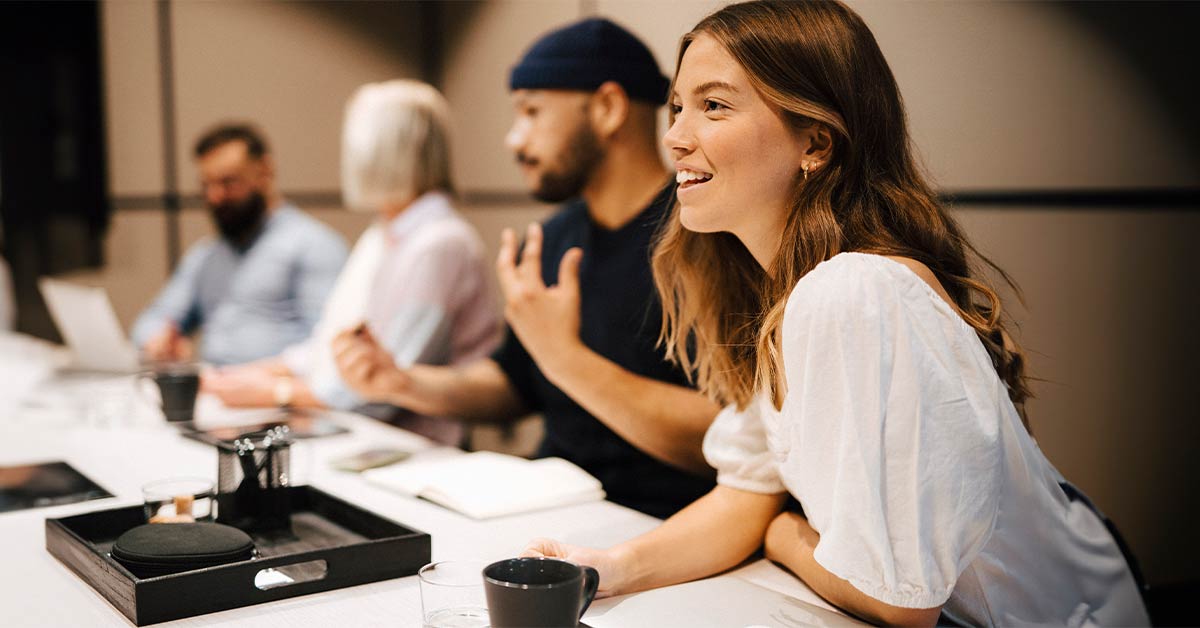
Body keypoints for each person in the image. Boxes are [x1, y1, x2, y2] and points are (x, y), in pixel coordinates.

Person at [522, 2, 1150, 626]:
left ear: (815, 142)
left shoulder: (855, 292)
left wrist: (784, 536)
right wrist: (604, 568)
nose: (675, 136)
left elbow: (899, 603)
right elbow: (746, 493)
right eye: (678, 107)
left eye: (713, 106)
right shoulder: (789, 293)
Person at [333, 18, 720, 518]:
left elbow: (728, 437)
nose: (515, 140)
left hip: (660, 517)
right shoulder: (554, 236)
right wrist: (402, 382)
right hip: (547, 500)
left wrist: (567, 358)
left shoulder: (703, 235)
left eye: (532, 112)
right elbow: (514, 383)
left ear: (607, 108)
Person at [203, 80, 500, 446]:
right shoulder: (382, 234)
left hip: (415, 448)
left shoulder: (440, 244)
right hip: (361, 434)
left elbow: (377, 387)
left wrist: (278, 391)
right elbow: (334, 340)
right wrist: (251, 373)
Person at [131, 124, 347, 366]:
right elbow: (152, 319)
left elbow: (332, 344)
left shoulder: (313, 246)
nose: (215, 197)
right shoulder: (206, 256)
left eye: (228, 182)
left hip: (278, 394)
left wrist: (270, 380)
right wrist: (158, 341)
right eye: (206, 186)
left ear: (265, 171)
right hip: (213, 390)